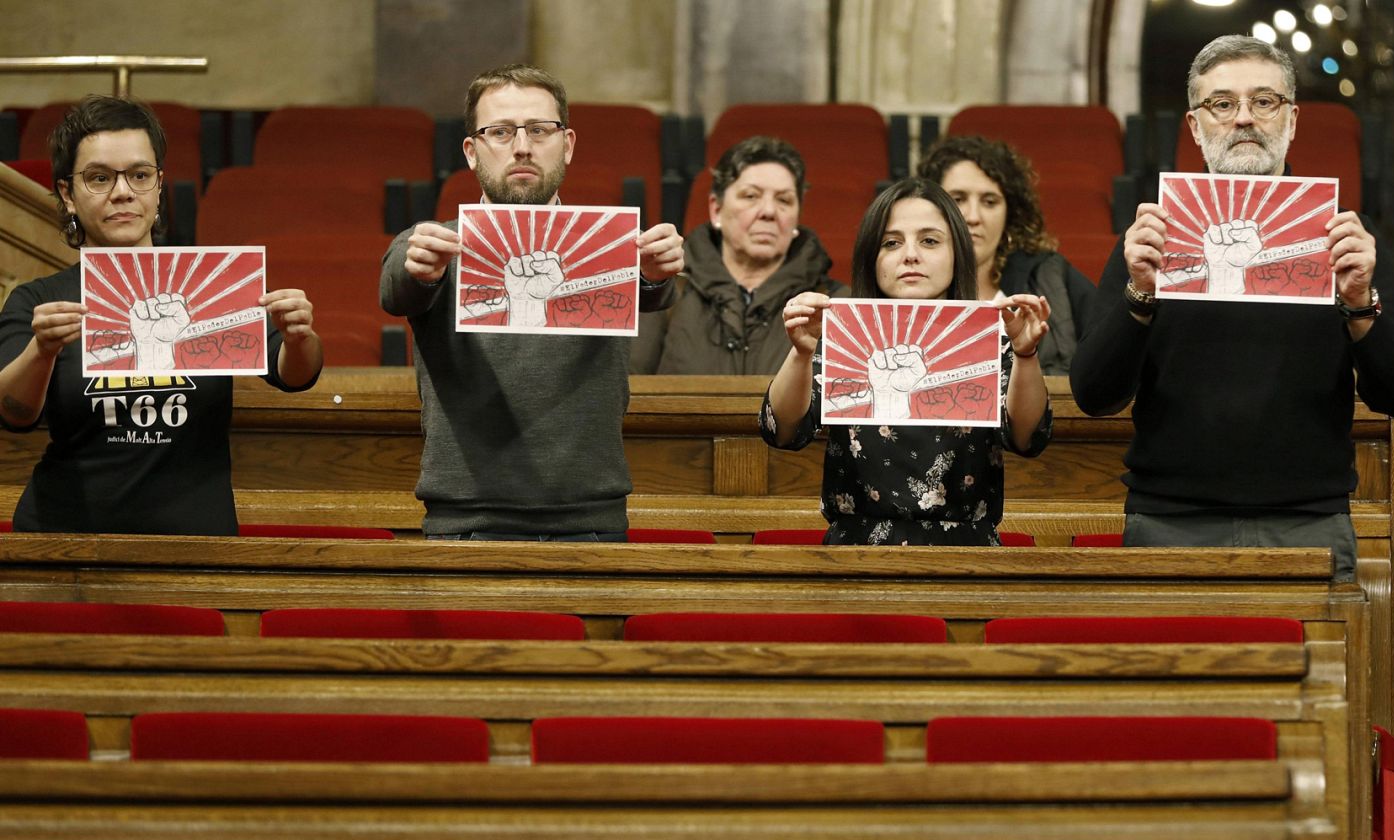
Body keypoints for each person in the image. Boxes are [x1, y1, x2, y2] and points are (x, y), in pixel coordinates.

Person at [1068, 35, 1394, 581]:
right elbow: (1093, 395)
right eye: (1222, 104)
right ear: (1195, 126)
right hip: (1170, 523)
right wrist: (1140, 293)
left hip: (1309, 523)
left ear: (1292, 119)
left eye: (1264, 102)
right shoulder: (1151, 241)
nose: (1243, 119)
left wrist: (1359, 303)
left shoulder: (1340, 241)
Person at [379, 64, 684, 541]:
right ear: (471, 152)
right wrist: (418, 269)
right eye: (500, 132)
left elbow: (654, 291)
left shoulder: (611, 247)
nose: (522, 146)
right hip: (466, 520)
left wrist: (654, 272)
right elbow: (396, 289)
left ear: (567, 145)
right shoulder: (433, 245)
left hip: (591, 520)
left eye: (540, 130)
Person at [0, 96, 323, 535]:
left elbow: (296, 374)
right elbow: (14, 415)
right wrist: (42, 350)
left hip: (196, 541)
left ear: (158, 186)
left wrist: (299, 334)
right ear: (67, 195)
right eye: (99, 178)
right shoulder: (39, 300)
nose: (122, 192)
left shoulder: (206, 284)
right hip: (66, 540)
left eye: (139, 175)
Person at [759, 178, 1052, 545]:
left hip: (968, 555)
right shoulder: (841, 336)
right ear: (872, 257)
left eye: (929, 241)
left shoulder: (989, 340)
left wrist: (1025, 355)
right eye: (891, 242)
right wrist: (803, 352)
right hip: (856, 552)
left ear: (957, 254)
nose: (910, 255)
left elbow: (1028, 438)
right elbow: (782, 431)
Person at [631, 136, 843, 375]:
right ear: (716, 209)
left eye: (784, 200)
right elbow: (629, 389)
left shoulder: (831, 304)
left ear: (797, 217)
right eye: (751, 196)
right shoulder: (662, 293)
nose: (769, 212)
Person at [917, 134, 1094, 375]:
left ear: (1010, 214)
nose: (973, 216)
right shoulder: (903, 279)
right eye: (958, 199)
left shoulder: (1049, 275)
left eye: (990, 202)